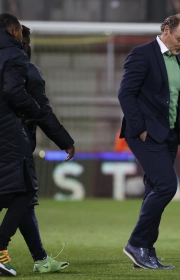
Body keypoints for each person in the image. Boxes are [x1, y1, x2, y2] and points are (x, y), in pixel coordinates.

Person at [118, 14, 180, 270]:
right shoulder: (142, 54)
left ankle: (146, 250)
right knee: (166, 186)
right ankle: (136, 243)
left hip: (168, 134)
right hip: (146, 134)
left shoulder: (176, 57)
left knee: (154, 190)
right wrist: (139, 128)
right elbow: (125, 93)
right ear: (166, 30)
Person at [14, 25, 74, 273]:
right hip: (16, 147)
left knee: (21, 201)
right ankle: (36, 258)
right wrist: (64, 140)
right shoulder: (27, 72)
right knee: (24, 198)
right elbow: (42, 113)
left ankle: (39, 258)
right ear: (24, 44)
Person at [0, 13, 42, 276]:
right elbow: (15, 93)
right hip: (8, 135)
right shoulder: (17, 60)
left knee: (18, 194)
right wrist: (33, 109)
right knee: (23, 192)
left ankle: (40, 256)